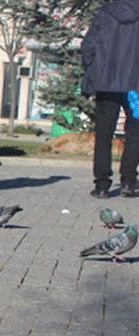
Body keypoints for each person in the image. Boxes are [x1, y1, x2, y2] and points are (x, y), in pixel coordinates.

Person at [81, 0, 139, 198]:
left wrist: (93, 71)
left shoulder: (106, 12)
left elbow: (88, 45)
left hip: (106, 85)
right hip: (135, 88)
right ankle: (129, 182)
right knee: (135, 134)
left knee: (104, 136)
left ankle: (102, 185)